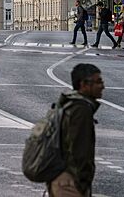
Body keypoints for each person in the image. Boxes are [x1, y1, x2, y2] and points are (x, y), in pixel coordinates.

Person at [49, 63, 103, 197]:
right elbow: (79, 152)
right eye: (98, 82)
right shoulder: (81, 110)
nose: (102, 86)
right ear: (83, 84)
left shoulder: (69, 104)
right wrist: (83, 183)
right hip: (71, 183)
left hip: (61, 178)